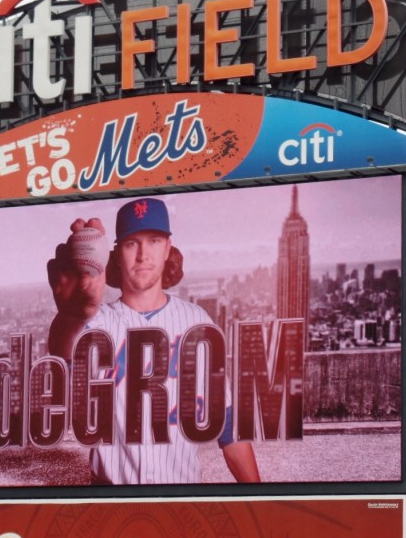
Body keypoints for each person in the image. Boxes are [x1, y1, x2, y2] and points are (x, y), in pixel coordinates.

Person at [48, 197, 260, 485]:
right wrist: (70, 319)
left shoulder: (196, 322)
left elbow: (228, 426)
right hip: (110, 502)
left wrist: (262, 499)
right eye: (132, 243)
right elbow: (64, 355)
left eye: (155, 241)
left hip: (182, 500)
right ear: (116, 254)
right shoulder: (94, 323)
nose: (143, 254)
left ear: (168, 249)